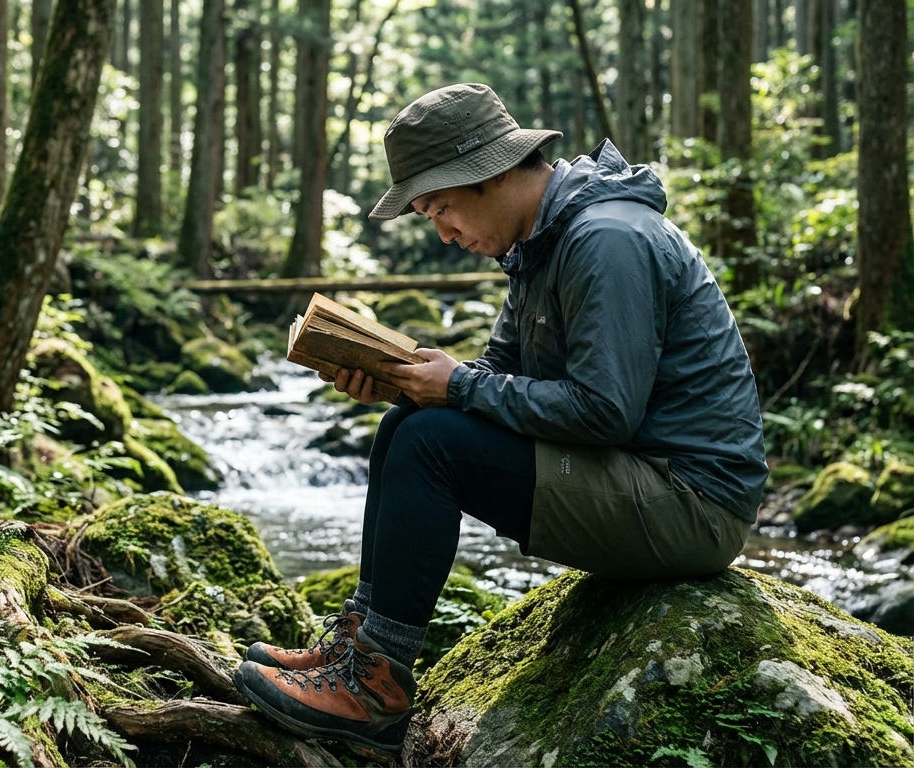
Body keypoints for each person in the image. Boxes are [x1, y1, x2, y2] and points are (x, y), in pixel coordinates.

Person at [231, 83, 769, 755]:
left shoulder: (605, 240)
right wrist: (402, 386)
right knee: (407, 427)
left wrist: (453, 390)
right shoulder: (539, 245)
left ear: (491, 173)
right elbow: (494, 381)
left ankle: (375, 694)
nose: (444, 233)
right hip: (638, 475)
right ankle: (362, 652)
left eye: (442, 207)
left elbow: (604, 410)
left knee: (432, 443)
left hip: (692, 503)